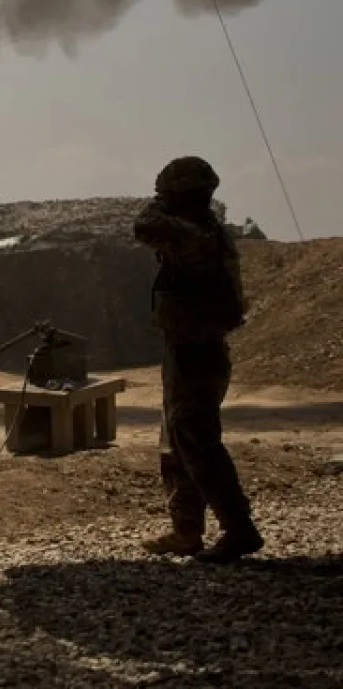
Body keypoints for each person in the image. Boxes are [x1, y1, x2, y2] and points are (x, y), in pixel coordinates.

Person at [133, 156, 263, 564]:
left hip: (196, 349)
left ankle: (238, 528)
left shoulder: (194, 236)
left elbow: (144, 225)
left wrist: (159, 201)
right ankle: (186, 529)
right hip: (190, 345)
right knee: (177, 437)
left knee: (196, 439)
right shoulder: (207, 232)